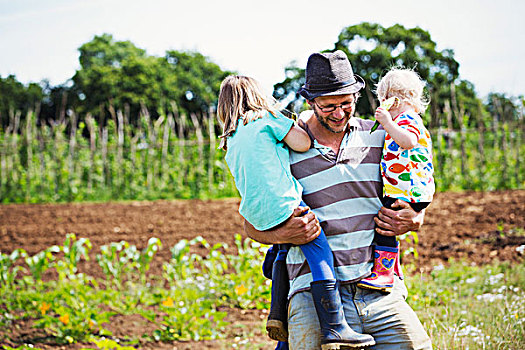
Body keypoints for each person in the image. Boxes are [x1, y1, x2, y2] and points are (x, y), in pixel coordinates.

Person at [244, 51, 432, 350]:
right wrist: (283, 234)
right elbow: (250, 224)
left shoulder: (380, 136)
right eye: (329, 106)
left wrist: (416, 217)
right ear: (310, 103)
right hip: (312, 293)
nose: (339, 113)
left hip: (379, 288)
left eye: (347, 103)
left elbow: (416, 177)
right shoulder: (287, 149)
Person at [217, 75, 375, 349]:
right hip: (284, 204)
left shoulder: (231, 138)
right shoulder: (268, 119)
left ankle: (278, 313)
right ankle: (336, 325)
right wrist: (293, 126)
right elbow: (302, 143)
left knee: (283, 248)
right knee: (319, 252)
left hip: (256, 212)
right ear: (258, 97)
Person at [357, 67, 435, 292]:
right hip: (409, 189)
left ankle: (384, 274)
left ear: (395, 100)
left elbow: (409, 141)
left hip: (408, 190)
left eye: (384, 99)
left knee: (385, 229)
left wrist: (388, 123)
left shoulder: (408, 120)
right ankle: (394, 268)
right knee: (388, 229)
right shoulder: (405, 120)